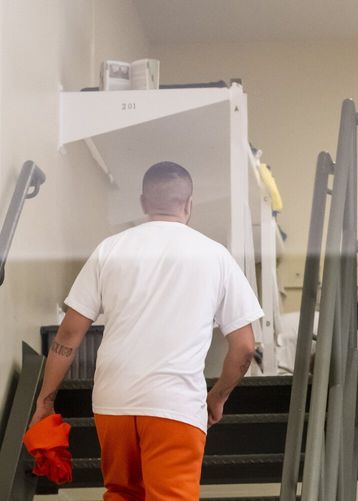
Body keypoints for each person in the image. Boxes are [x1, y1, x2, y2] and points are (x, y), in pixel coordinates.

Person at [29, 161, 263, 500]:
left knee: (121, 493)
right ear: (189, 204)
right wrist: (217, 397)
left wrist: (45, 401)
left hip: (113, 402)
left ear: (142, 202)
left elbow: (68, 336)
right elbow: (244, 347)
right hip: (175, 403)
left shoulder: (110, 249)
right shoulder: (216, 256)